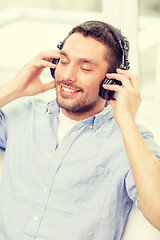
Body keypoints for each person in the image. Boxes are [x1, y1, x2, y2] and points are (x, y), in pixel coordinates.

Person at [0, 20, 160, 240]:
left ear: (111, 80)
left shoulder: (130, 138)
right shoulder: (23, 116)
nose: (67, 75)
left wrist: (127, 122)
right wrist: (14, 88)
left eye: (85, 67)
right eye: (63, 62)